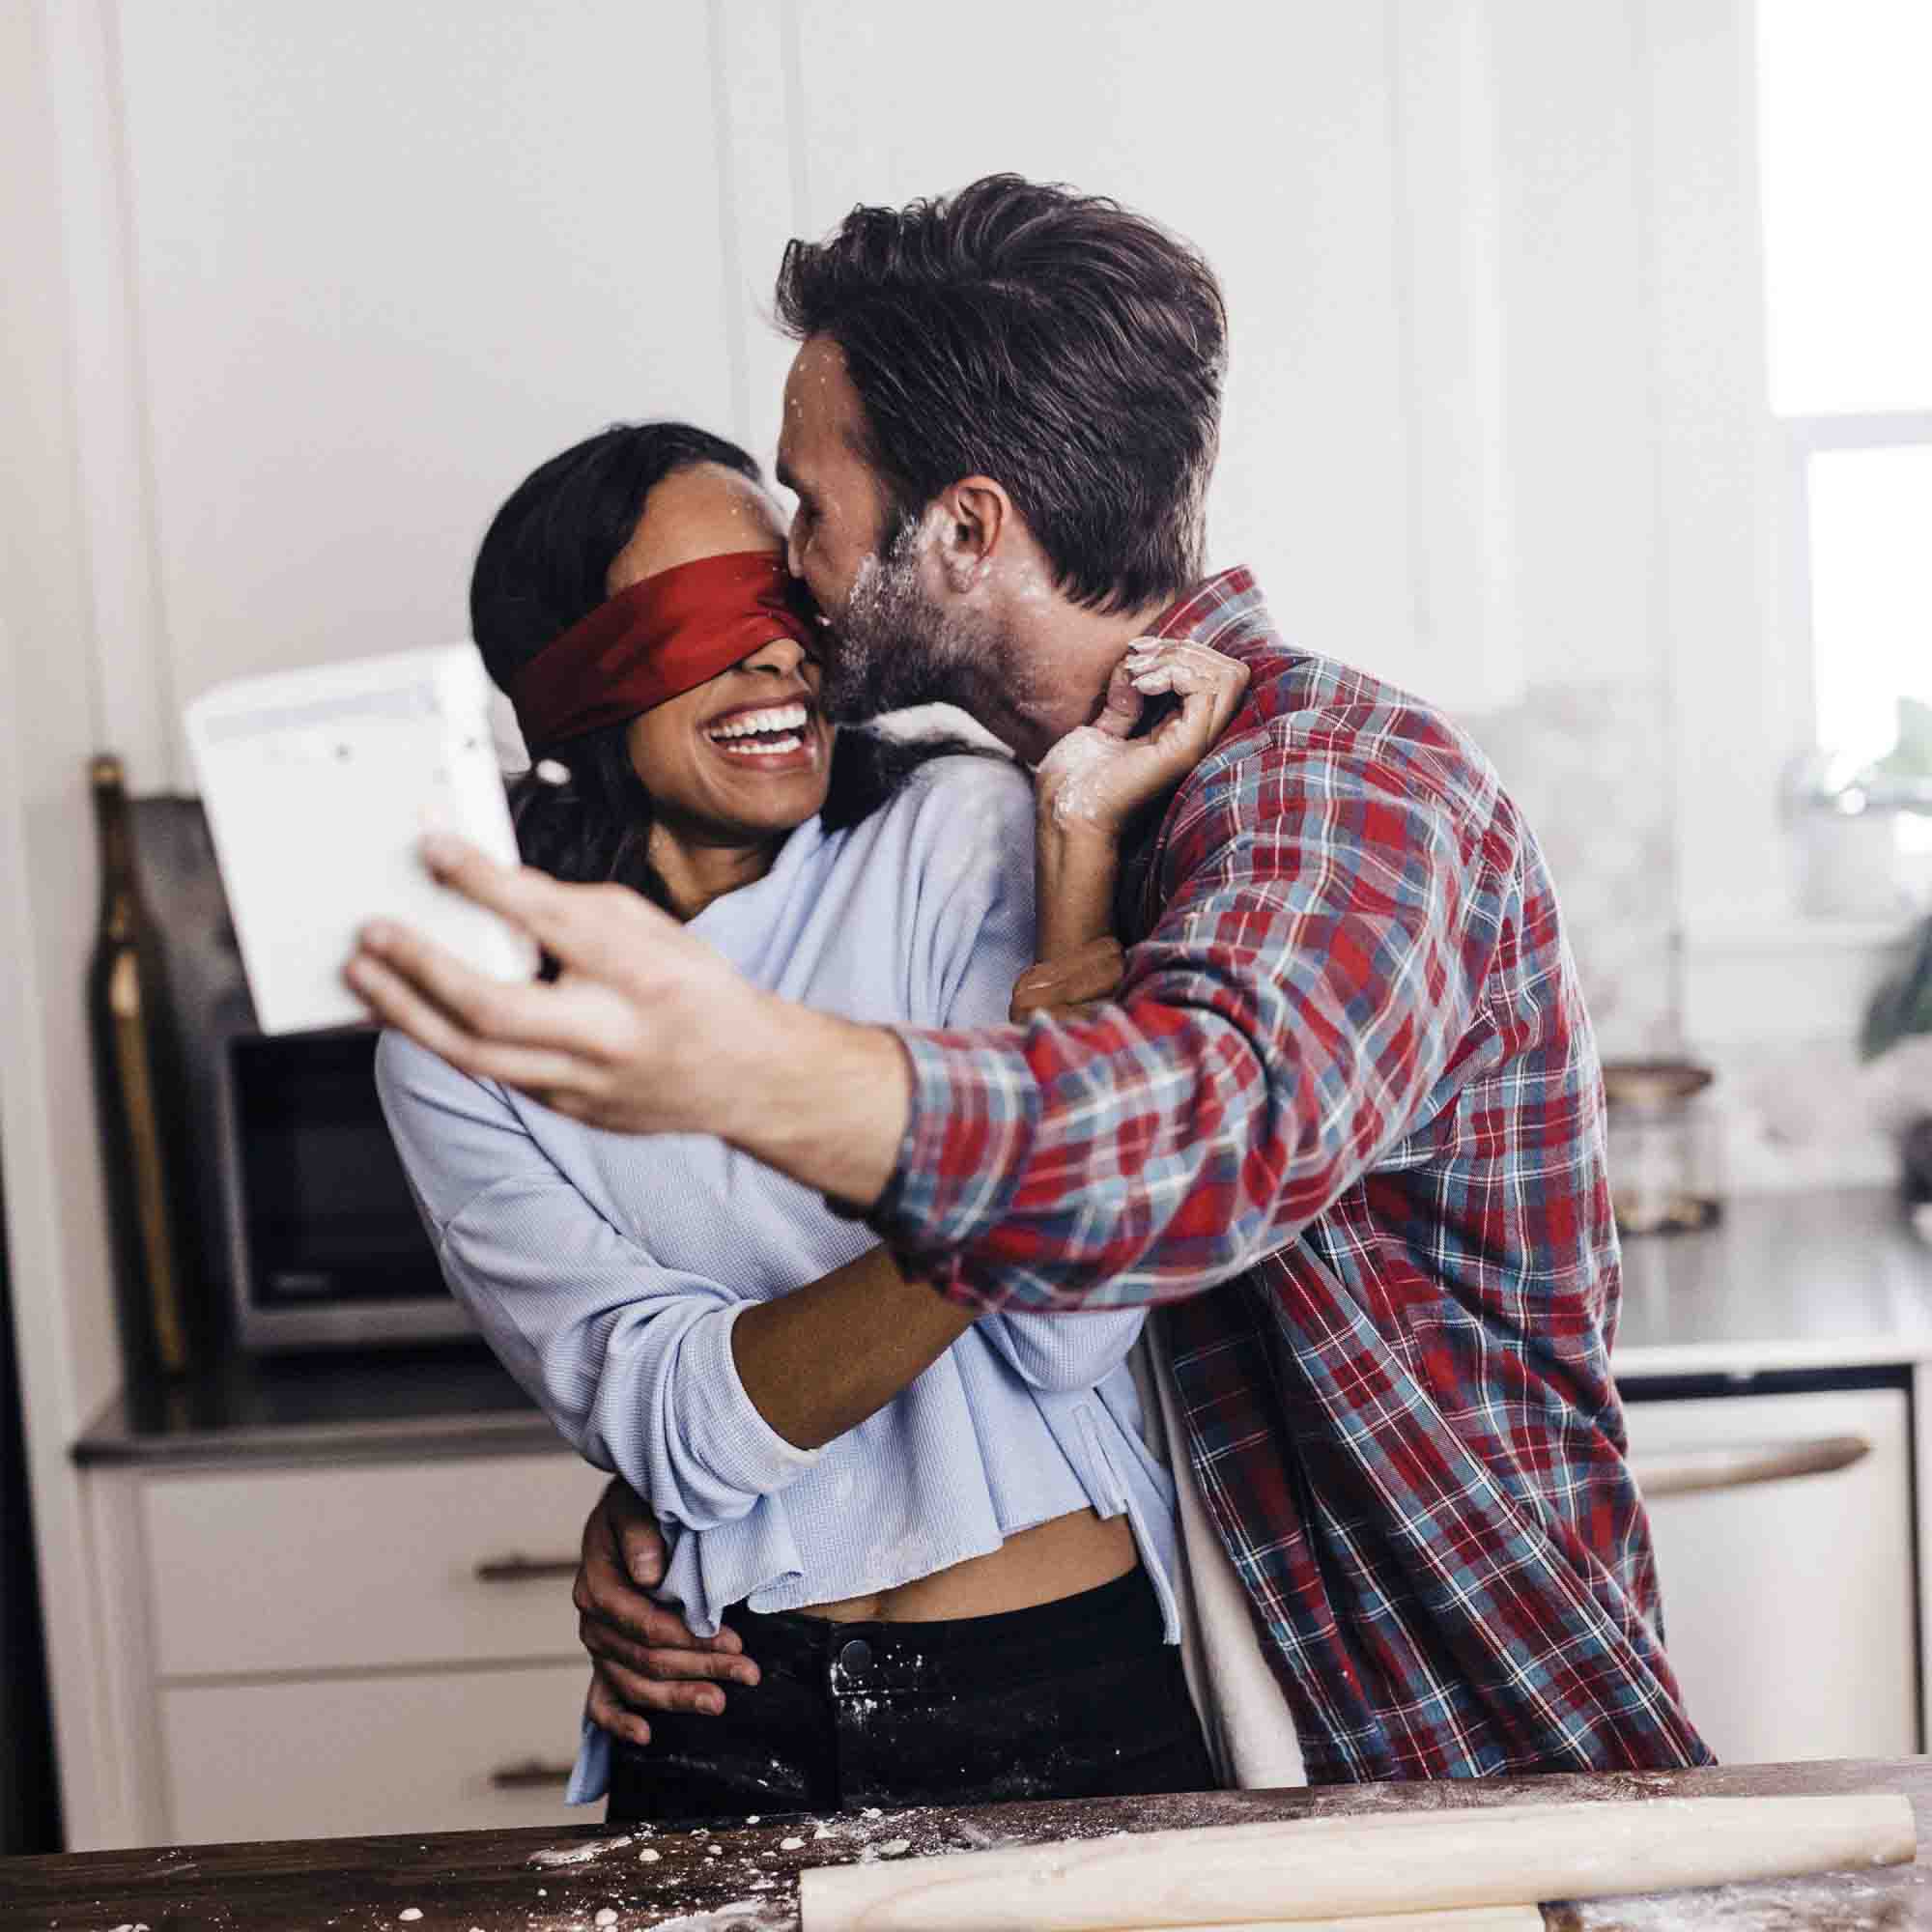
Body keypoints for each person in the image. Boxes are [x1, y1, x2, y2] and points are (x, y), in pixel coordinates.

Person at [350, 175, 1715, 1783]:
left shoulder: (1335, 788)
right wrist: (700, 1478)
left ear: (970, 528)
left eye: (806, 505)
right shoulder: (1095, 803)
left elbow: (1202, 1140)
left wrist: (745, 1073)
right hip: (1230, 1726)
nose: (792, 584)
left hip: (1450, 1737)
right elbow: (818, 1384)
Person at [373, 419, 1237, 1823]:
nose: (778, 654)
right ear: (570, 677)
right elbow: (677, 1425)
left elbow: (1072, 1319)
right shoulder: (475, 1035)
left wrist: (1072, 881)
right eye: (695, 623)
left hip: (1060, 1690)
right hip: (720, 1719)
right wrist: (1020, 1173)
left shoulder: (957, 832)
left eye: (784, 602)